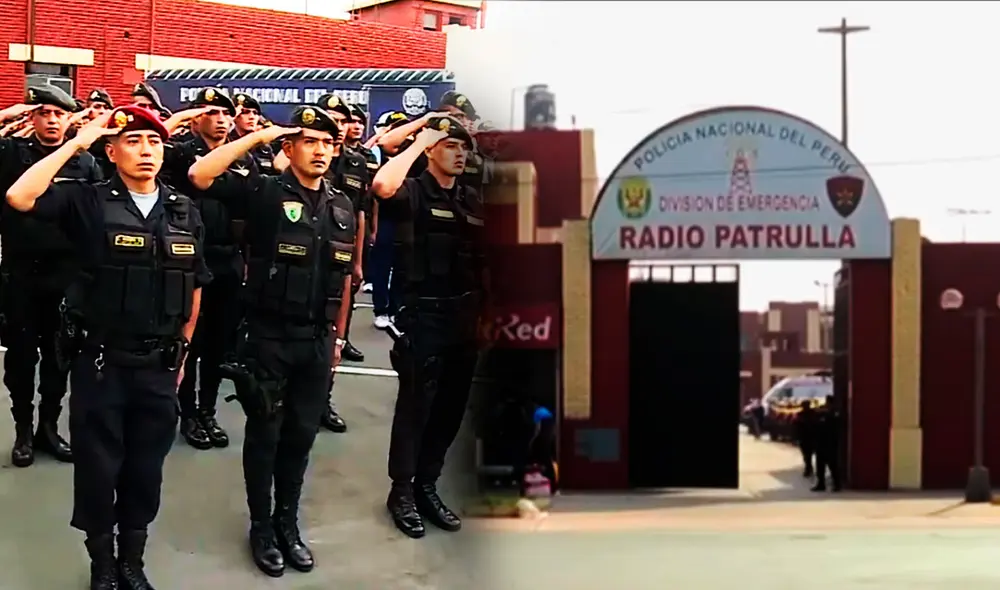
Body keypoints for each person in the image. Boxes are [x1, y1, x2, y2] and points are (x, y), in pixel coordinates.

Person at [5, 105, 210, 590]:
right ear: (112, 152)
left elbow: (195, 285)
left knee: (145, 469)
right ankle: (102, 561)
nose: (146, 151)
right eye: (133, 141)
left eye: (154, 142)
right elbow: (19, 196)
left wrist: (182, 350)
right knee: (98, 468)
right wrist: (77, 141)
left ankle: (132, 560)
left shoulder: (183, 209)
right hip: (101, 363)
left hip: (159, 364)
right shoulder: (87, 200)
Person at [187, 105, 355, 577]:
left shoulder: (342, 206)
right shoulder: (264, 191)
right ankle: (261, 526)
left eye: (328, 144)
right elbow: (200, 174)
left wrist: (339, 339)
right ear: (290, 148)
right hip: (268, 336)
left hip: (317, 340)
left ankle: (287, 521)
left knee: (300, 437)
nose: (320, 151)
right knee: (265, 435)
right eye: (309, 141)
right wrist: (261, 136)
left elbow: (342, 280)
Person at [371, 115, 487, 539]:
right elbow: (382, 186)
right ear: (432, 150)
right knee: (416, 408)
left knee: (450, 409)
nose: (459, 154)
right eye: (450, 145)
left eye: (463, 147)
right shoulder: (414, 191)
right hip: (424, 316)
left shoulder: (471, 198)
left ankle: (427, 485)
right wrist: (421, 141)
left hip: (465, 317)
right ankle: (401, 491)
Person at [0, 85, 103, 468]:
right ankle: (23, 431)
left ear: (70, 118)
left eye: (59, 114)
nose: (52, 120)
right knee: (21, 359)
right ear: (32, 118)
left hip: (66, 276)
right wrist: (6, 115)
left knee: (60, 358)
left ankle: (48, 427)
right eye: (44, 113)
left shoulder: (84, 162)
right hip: (21, 274)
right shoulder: (12, 153)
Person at [162, 87, 242, 450]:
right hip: (190, 258)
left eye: (226, 114)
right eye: (211, 113)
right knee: (189, 342)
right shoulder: (181, 153)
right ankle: (188, 412)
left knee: (217, 344)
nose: (221, 120)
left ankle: (208, 410)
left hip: (228, 260)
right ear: (196, 119)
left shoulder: (242, 156)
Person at [231, 92, 277, 175]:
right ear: (235, 116)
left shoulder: (264, 148)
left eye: (255, 113)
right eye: (245, 112)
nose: (252, 117)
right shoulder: (227, 143)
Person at [812, 395, 842, 492]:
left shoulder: (835, 413)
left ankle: (837, 484)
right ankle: (821, 484)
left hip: (830, 443)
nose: (827, 404)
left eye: (828, 402)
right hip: (821, 443)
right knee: (820, 465)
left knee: (832, 465)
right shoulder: (824, 413)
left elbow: (833, 426)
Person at [794, 400, 816, 477]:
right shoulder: (801, 414)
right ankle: (808, 467)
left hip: (809, 437)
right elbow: (796, 426)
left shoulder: (812, 414)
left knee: (808, 454)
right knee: (806, 455)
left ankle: (808, 468)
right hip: (805, 437)